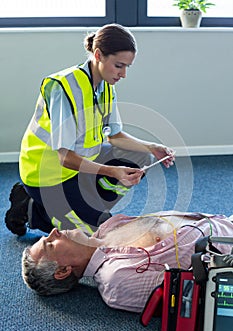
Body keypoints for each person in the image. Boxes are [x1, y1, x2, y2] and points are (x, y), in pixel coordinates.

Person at [5, 23, 175, 237]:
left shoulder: (105, 86)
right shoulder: (63, 88)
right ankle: (32, 208)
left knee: (143, 156)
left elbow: (115, 136)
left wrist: (152, 147)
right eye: (119, 66)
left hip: (80, 167)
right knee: (99, 236)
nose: (123, 74)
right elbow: (65, 158)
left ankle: (84, 209)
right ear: (98, 55)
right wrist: (113, 172)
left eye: (127, 67)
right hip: (48, 175)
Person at [22, 210, 233, 313]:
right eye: (50, 244)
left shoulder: (106, 229)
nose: (53, 232)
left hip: (223, 221)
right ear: (62, 271)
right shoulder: (116, 279)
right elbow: (194, 296)